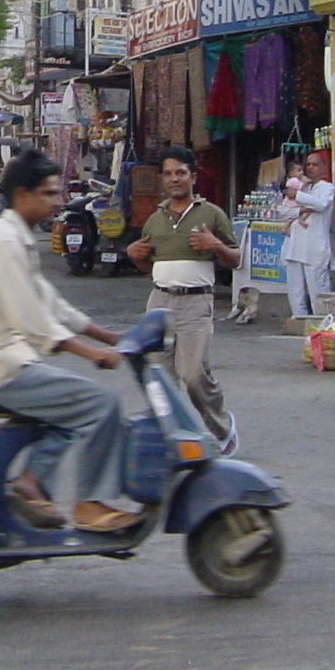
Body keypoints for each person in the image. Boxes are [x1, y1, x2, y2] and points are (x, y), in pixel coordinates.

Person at [0, 148, 139, 533]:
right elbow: (33, 321)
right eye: (49, 193)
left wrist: (109, 335)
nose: (57, 202)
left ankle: (30, 483)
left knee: (67, 414)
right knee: (101, 404)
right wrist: (93, 353)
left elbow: (51, 302)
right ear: (21, 196)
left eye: (58, 193)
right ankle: (90, 504)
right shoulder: (3, 243)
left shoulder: (18, 239)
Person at [126, 145, 238, 450]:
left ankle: (221, 429)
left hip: (195, 303)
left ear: (193, 177)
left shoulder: (211, 214)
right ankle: (171, 437)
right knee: (159, 377)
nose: (174, 179)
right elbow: (148, 266)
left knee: (193, 376)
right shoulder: (155, 219)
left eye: (181, 173)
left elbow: (235, 260)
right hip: (159, 302)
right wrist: (133, 255)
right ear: (162, 179)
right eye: (168, 174)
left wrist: (215, 245)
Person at [282, 147, 335, 318]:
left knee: (318, 290)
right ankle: (299, 320)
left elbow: (321, 205)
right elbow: (283, 211)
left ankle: (323, 322)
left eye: (315, 164)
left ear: (323, 168)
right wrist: (301, 207)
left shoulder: (327, 187)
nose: (310, 168)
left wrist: (298, 197)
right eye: (308, 164)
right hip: (294, 245)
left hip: (315, 246)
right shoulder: (300, 186)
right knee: (295, 290)